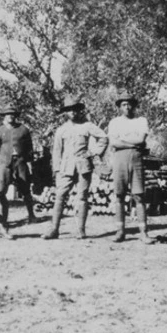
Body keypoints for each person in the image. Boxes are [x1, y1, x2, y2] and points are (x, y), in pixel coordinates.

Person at [43, 95, 109, 240]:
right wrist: (56, 170)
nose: (72, 112)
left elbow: (104, 138)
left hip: (83, 166)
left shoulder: (87, 125)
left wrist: (93, 152)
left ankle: (81, 230)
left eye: (75, 109)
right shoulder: (61, 129)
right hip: (66, 168)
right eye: (69, 110)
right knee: (60, 196)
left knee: (82, 197)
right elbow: (56, 151)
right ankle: (54, 229)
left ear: (79, 111)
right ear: (65, 112)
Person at [108, 93, 154, 244]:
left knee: (139, 196)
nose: (127, 107)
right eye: (123, 104)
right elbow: (114, 143)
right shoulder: (114, 122)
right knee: (119, 196)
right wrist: (132, 144)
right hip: (119, 158)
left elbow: (141, 139)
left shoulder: (141, 121)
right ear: (119, 107)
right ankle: (120, 231)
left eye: (129, 104)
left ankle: (143, 232)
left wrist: (124, 141)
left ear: (134, 105)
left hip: (136, 159)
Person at [0, 105, 36, 223]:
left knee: (25, 188)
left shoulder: (23, 129)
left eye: (13, 114)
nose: (10, 116)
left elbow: (29, 147)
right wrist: (4, 156)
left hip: (20, 162)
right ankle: (0, 218)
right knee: (1, 189)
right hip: (5, 163)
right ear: (4, 116)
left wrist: (26, 161)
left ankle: (31, 215)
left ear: (16, 116)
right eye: (8, 114)